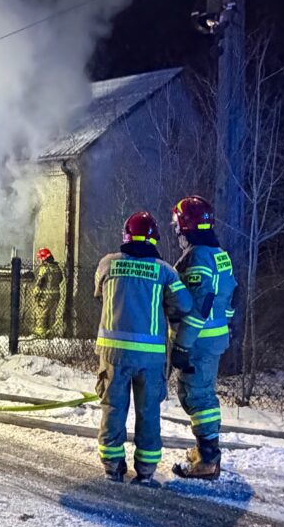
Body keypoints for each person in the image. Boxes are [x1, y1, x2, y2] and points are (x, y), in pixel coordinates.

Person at [94, 211, 192, 485]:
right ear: (154, 239)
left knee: (113, 409)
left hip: (113, 355)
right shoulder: (165, 271)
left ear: (125, 237)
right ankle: (146, 471)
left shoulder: (107, 264)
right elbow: (184, 306)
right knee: (148, 412)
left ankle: (113, 467)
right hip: (150, 359)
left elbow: (99, 294)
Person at [169, 196, 237, 480]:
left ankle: (208, 459)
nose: (175, 231)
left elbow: (200, 305)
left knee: (197, 396)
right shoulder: (219, 253)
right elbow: (230, 298)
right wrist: (223, 326)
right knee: (201, 393)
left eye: (177, 225)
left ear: (186, 226)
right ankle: (204, 449)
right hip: (214, 337)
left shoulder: (198, 256)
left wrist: (183, 343)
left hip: (198, 340)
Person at [32, 248, 63, 339]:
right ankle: (51, 334)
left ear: (44, 258)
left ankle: (40, 334)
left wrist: (36, 294)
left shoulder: (44, 268)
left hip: (45, 296)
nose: (39, 260)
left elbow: (40, 282)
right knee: (52, 315)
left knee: (42, 315)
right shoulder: (57, 267)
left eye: (40, 258)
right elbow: (60, 279)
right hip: (56, 296)